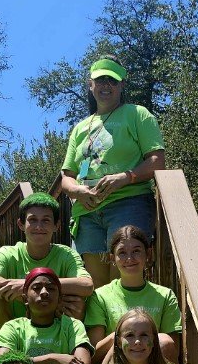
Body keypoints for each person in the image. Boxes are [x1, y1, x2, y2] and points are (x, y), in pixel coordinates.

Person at [57, 58, 165, 288]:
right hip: (87, 212)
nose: (106, 85)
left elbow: (157, 161)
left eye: (112, 80)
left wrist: (126, 177)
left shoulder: (137, 114)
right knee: (95, 287)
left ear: (122, 85)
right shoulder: (80, 128)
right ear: (90, 85)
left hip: (128, 203)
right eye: (100, 80)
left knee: (123, 279)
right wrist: (78, 191)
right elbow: (67, 176)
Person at [0, 192, 93, 330]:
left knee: (76, 304)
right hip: (13, 327)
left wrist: (26, 286)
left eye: (46, 220)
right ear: (21, 224)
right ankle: (3, 342)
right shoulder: (7, 253)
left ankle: (66, 341)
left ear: (56, 226)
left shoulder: (67, 254)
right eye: (32, 220)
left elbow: (87, 285)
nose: (39, 226)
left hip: (55, 322)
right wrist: (27, 293)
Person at [85, 224, 182, 364]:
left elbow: (172, 349)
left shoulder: (165, 296)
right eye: (122, 253)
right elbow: (94, 354)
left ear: (148, 254)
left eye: (136, 251)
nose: (129, 258)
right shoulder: (100, 296)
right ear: (112, 258)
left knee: (165, 340)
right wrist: (121, 337)